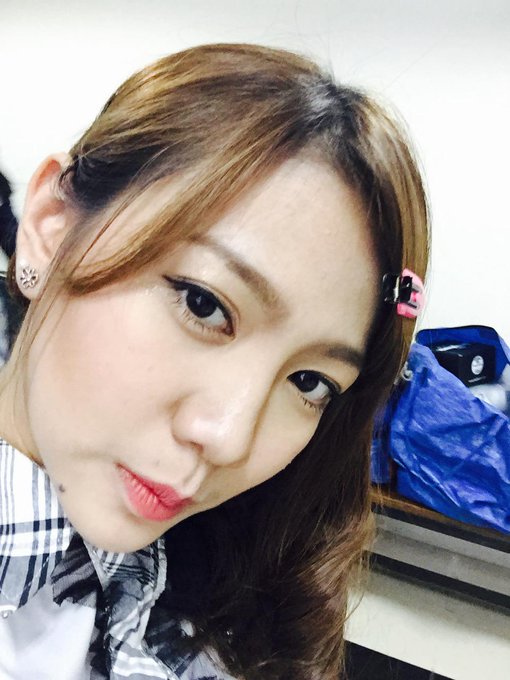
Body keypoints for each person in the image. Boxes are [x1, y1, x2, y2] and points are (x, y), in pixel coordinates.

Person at [0, 43, 429, 680]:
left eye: (309, 382)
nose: (230, 438)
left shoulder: (226, 609)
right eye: (203, 304)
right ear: (51, 225)